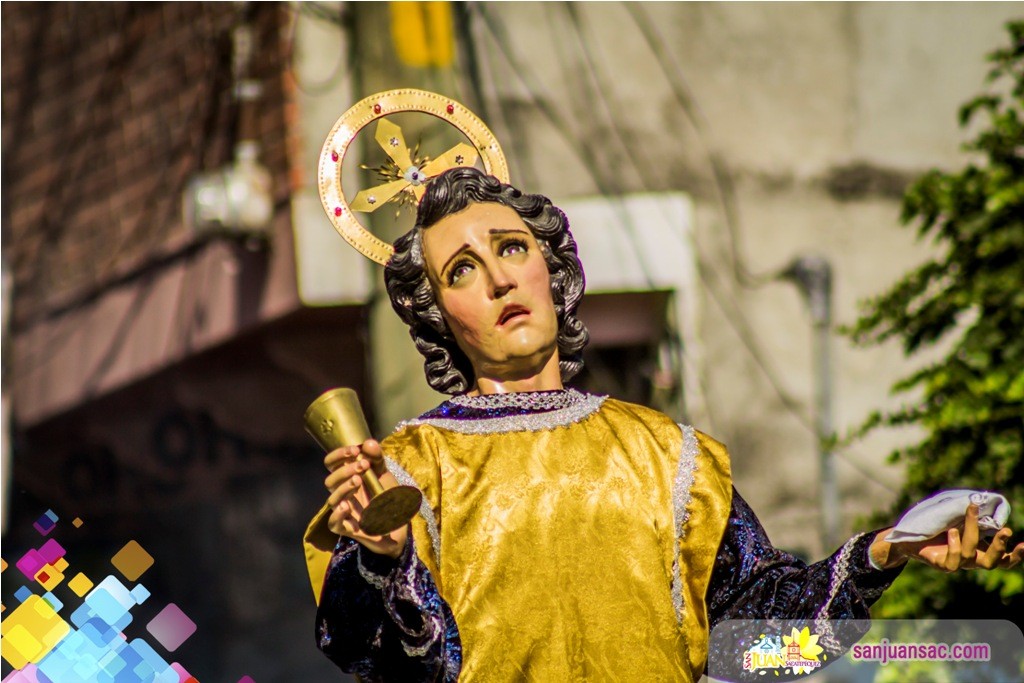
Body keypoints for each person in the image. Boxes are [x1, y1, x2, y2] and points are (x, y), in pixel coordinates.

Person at [304, 167, 1023, 682]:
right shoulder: (402, 476)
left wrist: (885, 551)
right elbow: (387, 662)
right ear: (436, 317)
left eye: (512, 248)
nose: (498, 278)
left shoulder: (670, 457)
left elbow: (753, 652)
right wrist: (380, 560)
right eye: (461, 270)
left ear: (550, 269)